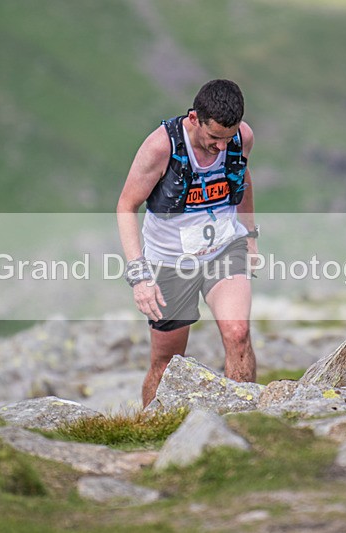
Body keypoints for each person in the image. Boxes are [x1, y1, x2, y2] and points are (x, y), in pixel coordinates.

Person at [116, 79, 259, 407]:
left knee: (238, 333)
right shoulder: (160, 147)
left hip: (224, 249)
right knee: (166, 361)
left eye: (227, 138)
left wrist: (250, 236)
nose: (221, 147)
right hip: (170, 262)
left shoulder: (242, 137)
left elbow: (243, 179)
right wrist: (140, 276)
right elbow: (126, 205)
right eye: (214, 137)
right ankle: (150, 427)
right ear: (194, 118)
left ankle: (244, 419)